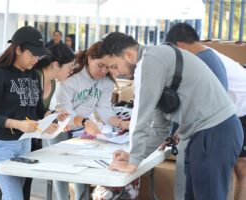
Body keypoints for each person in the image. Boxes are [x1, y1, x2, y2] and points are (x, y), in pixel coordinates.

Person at [99, 32, 243, 200]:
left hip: (214, 132)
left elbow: (140, 117)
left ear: (129, 55)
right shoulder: (157, 63)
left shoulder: (150, 62)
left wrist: (133, 162)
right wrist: (132, 155)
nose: (116, 74)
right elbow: (160, 129)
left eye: (114, 66)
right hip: (205, 133)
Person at [0, 26, 67, 200]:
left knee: (14, 194)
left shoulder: (34, 75)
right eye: (32, 54)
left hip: (25, 144)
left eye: (38, 55)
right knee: (14, 196)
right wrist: (17, 124)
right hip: (0, 145)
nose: (36, 59)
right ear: (18, 49)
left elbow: (37, 110)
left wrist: (53, 115)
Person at [165, 22, 246, 200]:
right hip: (218, 122)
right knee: (206, 185)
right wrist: (174, 131)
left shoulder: (207, 61)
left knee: (231, 176)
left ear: (180, 46)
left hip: (231, 119)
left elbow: (214, 102)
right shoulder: (199, 57)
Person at [52, 41, 130, 200]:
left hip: (83, 129)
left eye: (108, 67)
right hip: (60, 127)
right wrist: (85, 122)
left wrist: (122, 123)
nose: (103, 71)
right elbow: (65, 111)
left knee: (83, 168)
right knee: (59, 171)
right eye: (100, 65)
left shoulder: (106, 82)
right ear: (89, 58)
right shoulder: (71, 77)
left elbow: (104, 109)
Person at [22, 43, 75, 199]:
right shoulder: (34, 77)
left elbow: (39, 111)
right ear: (56, 64)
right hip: (19, 134)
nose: (71, 71)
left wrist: (53, 115)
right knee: (16, 181)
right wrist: (44, 125)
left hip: (32, 136)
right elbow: (24, 112)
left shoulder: (52, 82)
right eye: (70, 67)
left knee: (26, 180)